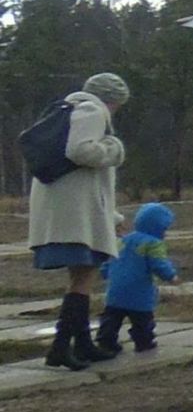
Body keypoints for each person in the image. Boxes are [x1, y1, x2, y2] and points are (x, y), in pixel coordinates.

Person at [30, 71, 129, 371]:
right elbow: (80, 151)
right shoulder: (92, 110)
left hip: (69, 208)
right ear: (112, 100)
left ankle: (81, 344)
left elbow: (89, 178)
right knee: (83, 276)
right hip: (76, 213)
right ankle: (61, 348)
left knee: (81, 276)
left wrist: (110, 216)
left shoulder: (69, 110)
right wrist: (114, 149)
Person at [95, 202, 177, 354]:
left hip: (115, 290)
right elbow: (158, 263)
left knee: (111, 317)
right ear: (159, 227)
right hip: (139, 292)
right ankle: (143, 342)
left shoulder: (123, 240)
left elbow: (111, 258)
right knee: (142, 320)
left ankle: (106, 341)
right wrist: (171, 275)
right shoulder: (153, 244)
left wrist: (105, 272)